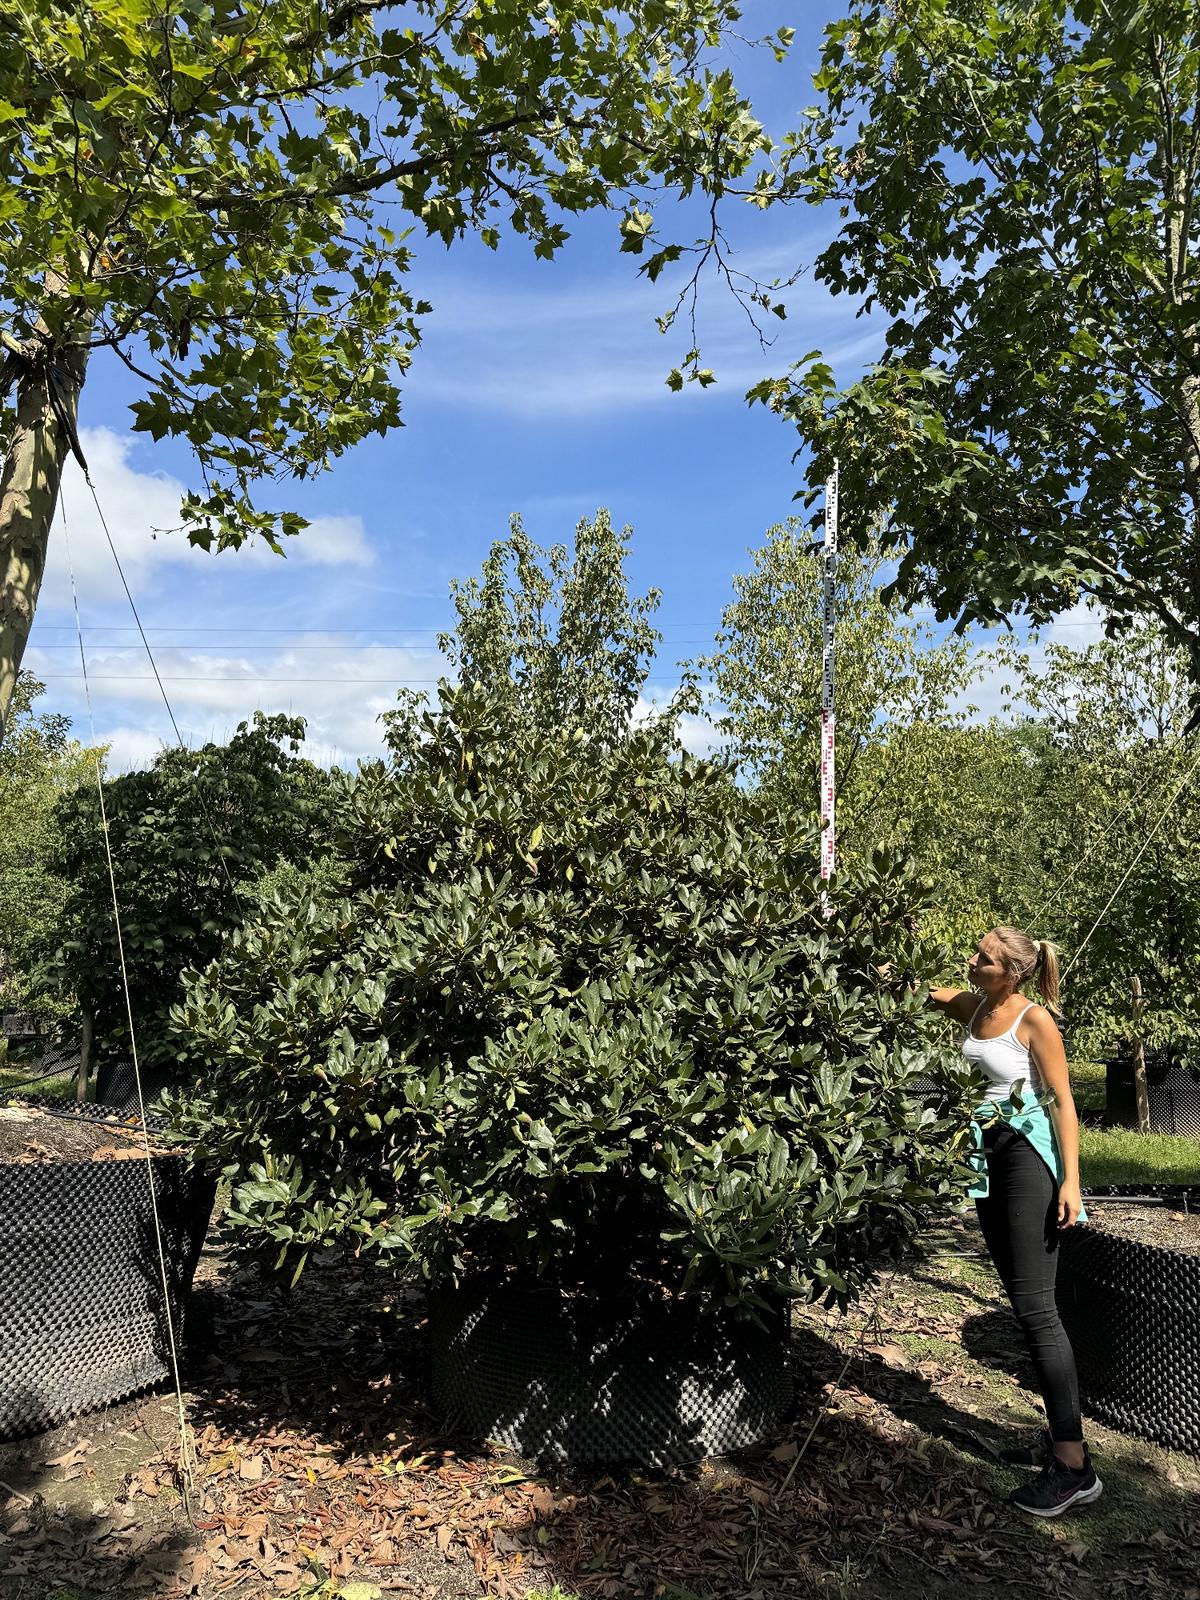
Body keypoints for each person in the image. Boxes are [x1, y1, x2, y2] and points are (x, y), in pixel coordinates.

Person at [930, 926, 1103, 1518]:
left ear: (1012, 972)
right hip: (987, 1160)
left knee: (1037, 1310)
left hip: (1028, 1161)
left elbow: (1063, 1103)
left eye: (984, 957)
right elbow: (921, 990)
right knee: (1021, 1302)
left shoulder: (1035, 1021)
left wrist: (1072, 1184)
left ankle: (1074, 1465)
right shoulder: (973, 1005)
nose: (971, 960)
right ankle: (1058, 1442)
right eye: (975, 951)